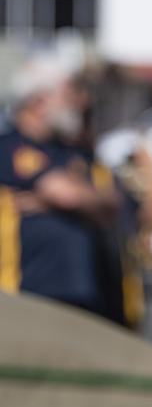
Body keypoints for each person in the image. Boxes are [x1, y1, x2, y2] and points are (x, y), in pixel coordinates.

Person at [0, 56, 120, 317]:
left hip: (83, 293)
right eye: (67, 93)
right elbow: (67, 196)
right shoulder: (11, 147)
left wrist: (45, 201)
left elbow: (111, 205)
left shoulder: (72, 152)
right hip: (27, 289)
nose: (77, 102)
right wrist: (76, 199)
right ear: (39, 102)